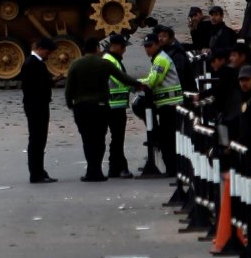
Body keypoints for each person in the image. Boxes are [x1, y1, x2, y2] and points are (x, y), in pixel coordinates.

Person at [64, 36, 142, 182]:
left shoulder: (76, 64)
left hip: (81, 107)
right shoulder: (104, 63)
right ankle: (97, 171)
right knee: (99, 139)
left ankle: (91, 171)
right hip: (100, 107)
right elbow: (123, 78)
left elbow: (69, 89)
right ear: (96, 48)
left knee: (87, 140)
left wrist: (70, 104)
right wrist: (139, 85)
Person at [139, 31, 184, 177]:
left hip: (170, 105)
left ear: (157, 44)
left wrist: (137, 83)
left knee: (168, 139)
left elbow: (153, 81)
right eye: (145, 46)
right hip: (165, 104)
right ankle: (172, 168)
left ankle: (172, 169)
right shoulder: (157, 58)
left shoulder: (161, 60)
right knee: (167, 138)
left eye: (150, 45)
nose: (147, 49)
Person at [20, 37, 58, 184]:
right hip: (36, 106)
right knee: (37, 140)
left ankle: (39, 171)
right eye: (48, 52)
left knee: (39, 140)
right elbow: (35, 86)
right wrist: (50, 82)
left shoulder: (34, 63)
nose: (48, 56)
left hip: (36, 105)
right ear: (41, 49)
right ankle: (36, 173)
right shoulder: (32, 64)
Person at [103, 34, 136, 179]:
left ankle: (114, 168)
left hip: (115, 104)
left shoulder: (111, 59)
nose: (124, 50)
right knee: (117, 139)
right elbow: (120, 80)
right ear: (115, 46)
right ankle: (121, 167)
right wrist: (135, 86)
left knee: (116, 139)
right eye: (123, 47)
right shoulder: (110, 61)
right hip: (114, 105)